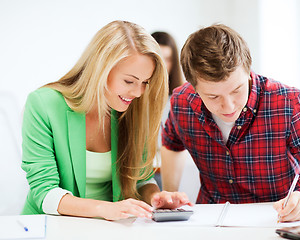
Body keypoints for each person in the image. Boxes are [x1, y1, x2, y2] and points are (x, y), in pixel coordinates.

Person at [21, 20, 192, 221]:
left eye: (145, 82)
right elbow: (45, 193)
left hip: (109, 227)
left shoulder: (133, 109)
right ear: (100, 69)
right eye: (129, 81)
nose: (138, 92)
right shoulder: (43, 104)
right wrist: (105, 209)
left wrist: (156, 197)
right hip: (47, 226)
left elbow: (141, 180)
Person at [161, 23, 300, 222]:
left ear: (248, 69)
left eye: (237, 90)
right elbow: (172, 144)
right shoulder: (182, 101)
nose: (229, 106)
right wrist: (169, 196)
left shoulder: (288, 103)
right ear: (194, 87)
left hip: (277, 219)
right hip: (210, 221)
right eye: (213, 97)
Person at [151, 31, 184, 189]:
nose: (163, 64)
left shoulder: (179, 100)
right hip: (143, 170)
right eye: (159, 58)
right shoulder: (133, 96)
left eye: (168, 59)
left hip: (167, 169)